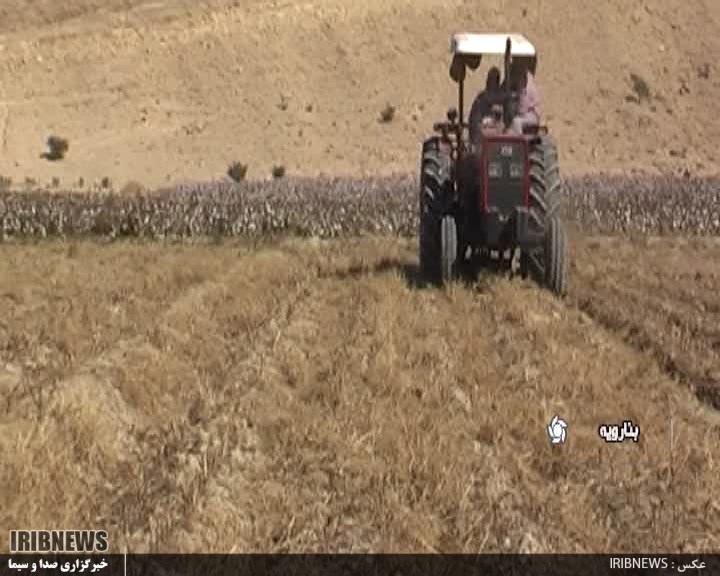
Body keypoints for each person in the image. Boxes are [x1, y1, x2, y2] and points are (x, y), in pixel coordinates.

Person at [505, 58, 541, 134]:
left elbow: (522, 109)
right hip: (523, 114)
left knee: (516, 122)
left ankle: (519, 143)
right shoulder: (517, 82)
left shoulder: (526, 87)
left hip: (531, 115)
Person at [468, 66, 502, 145]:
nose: (491, 82)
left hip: (496, 129)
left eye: (494, 79)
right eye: (490, 79)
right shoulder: (482, 97)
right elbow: (475, 119)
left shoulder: (500, 96)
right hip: (482, 129)